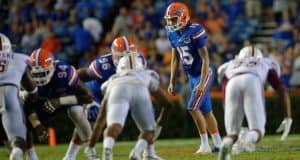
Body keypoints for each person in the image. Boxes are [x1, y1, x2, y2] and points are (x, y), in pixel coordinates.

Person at [78, 36, 168, 160]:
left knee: (148, 115)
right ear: (113, 54)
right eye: (121, 56)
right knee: (94, 115)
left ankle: (148, 152)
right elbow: (84, 75)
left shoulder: (140, 61)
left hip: (116, 88)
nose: (125, 59)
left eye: (129, 55)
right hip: (99, 93)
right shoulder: (102, 65)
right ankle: (83, 151)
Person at [164, 2, 222, 154]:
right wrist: (172, 80)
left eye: (174, 19)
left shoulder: (195, 30)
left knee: (192, 107)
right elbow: (175, 58)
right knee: (206, 111)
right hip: (192, 76)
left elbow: (205, 59)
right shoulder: (172, 33)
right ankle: (219, 144)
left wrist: (202, 83)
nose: (170, 23)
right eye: (169, 20)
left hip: (205, 73)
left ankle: (205, 145)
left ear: (183, 17)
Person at [217, 46, 292, 160]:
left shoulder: (231, 64)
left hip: (232, 83)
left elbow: (224, 92)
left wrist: (227, 109)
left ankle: (226, 144)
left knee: (232, 133)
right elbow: (281, 89)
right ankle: (247, 140)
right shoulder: (263, 62)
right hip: (252, 80)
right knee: (258, 130)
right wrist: (288, 117)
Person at [22, 48, 97, 160]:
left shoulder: (65, 72)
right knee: (21, 119)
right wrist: (37, 124)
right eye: (36, 75)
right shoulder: (26, 77)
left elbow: (88, 97)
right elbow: (27, 106)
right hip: (42, 103)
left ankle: (89, 154)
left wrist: (59, 101)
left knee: (77, 113)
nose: (39, 79)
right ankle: (32, 157)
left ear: (51, 67)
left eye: (43, 73)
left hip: (66, 99)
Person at [99, 48, 172, 160]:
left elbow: (103, 89)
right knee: (149, 126)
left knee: (115, 125)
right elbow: (166, 103)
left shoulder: (112, 78)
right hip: (137, 91)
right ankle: (142, 152)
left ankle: (109, 150)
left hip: (120, 90)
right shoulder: (147, 74)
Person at [0, 33, 36, 160]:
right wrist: (33, 92)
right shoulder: (19, 58)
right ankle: (17, 149)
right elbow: (29, 86)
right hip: (7, 91)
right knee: (17, 138)